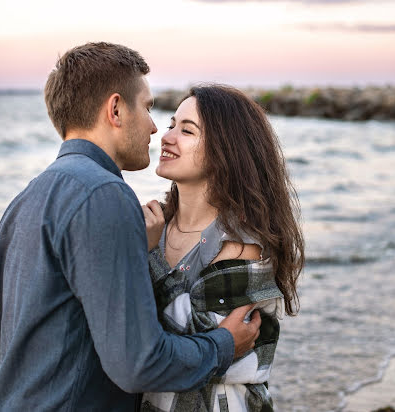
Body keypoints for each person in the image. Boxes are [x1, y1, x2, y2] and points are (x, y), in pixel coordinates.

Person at [0, 43, 261, 411]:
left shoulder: (24, 201)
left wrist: (139, 252)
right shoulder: (104, 195)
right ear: (115, 109)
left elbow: (9, 342)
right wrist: (223, 344)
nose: (153, 127)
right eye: (147, 107)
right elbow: (139, 364)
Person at [140, 85, 305, 411]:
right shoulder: (157, 225)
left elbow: (186, 343)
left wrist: (148, 258)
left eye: (187, 131)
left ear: (224, 151)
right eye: (172, 124)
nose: (167, 136)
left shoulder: (242, 242)